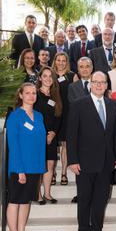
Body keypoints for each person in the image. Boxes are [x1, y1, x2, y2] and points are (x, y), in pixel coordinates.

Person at [67, 71, 116, 231]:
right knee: (84, 199)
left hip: (106, 162)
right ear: (90, 84)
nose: (99, 85)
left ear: (106, 85)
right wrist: (72, 160)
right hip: (84, 162)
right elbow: (72, 135)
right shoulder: (78, 104)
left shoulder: (113, 105)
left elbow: (114, 133)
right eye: (95, 82)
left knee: (100, 199)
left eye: (102, 82)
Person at [6, 83, 46, 231]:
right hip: (19, 167)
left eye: (34, 93)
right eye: (27, 93)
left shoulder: (38, 115)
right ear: (21, 95)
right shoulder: (15, 116)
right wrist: (20, 169)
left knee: (26, 201)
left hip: (35, 167)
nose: (31, 96)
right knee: (15, 201)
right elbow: (13, 145)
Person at [34, 66, 62, 204]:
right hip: (37, 136)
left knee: (50, 165)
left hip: (51, 136)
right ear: (40, 78)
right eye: (44, 76)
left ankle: (48, 194)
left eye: (50, 76)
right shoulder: (34, 94)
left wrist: (53, 133)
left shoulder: (55, 95)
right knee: (39, 165)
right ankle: (38, 195)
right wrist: (43, 134)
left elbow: (58, 116)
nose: (48, 79)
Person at [68, 57, 93, 203]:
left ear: (92, 67)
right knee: (80, 166)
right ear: (78, 69)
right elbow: (73, 109)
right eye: (81, 67)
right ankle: (81, 193)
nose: (84, 69)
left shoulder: (98, 84)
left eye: (87, 66)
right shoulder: (73, 87)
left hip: (97, 133)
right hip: (80, 131)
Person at [52, 52, 78, 185]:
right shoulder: (50, 74)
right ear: (55, 61)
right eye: (59, 60)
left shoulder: (72, 75)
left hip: (68, 113)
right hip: (53, 113)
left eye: (64, 60)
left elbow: (77, 95)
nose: (61, 63)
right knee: (53, 144)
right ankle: (52, 172)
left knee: (65, 145)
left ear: (67, 62)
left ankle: (63, 173)